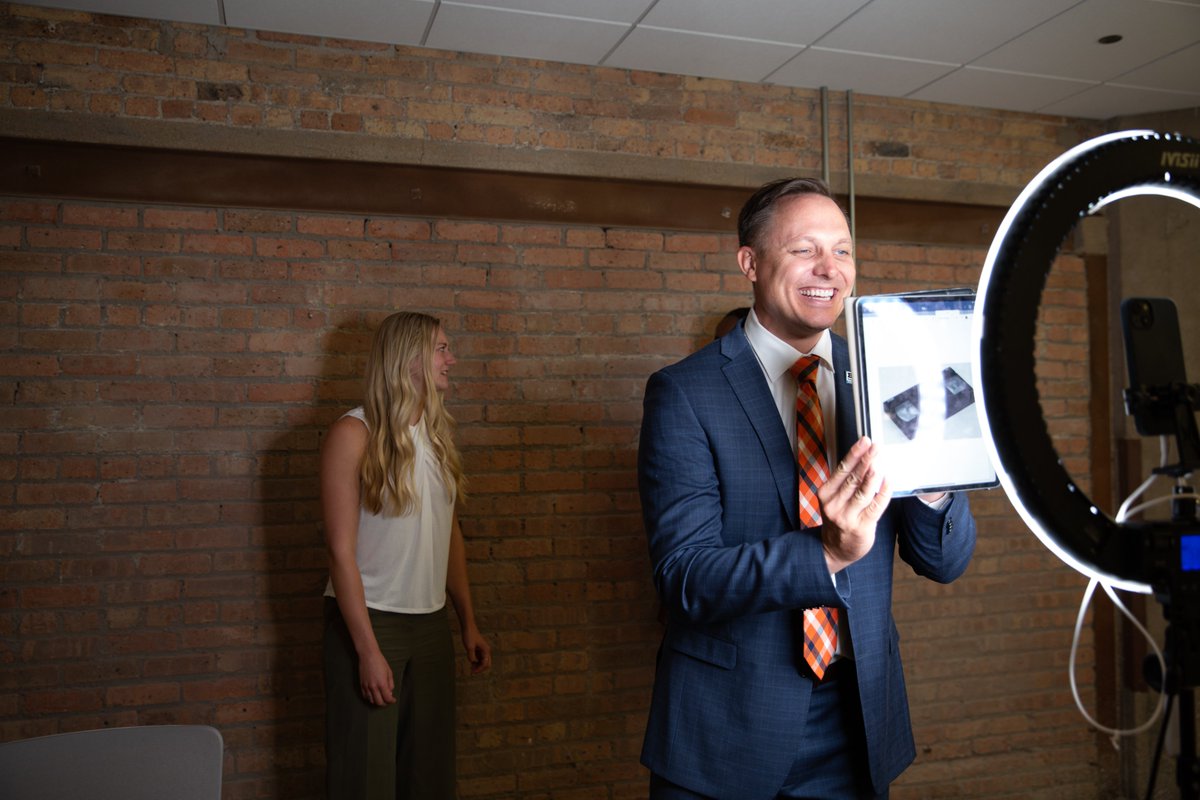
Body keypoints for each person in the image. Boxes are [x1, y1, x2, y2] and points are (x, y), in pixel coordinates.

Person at [637, 178, 976, 799]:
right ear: (750, 262)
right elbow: (684, 579)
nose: (829, 268)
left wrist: (934, 474)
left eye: (842, 251)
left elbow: (943, 561)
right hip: (725, 728)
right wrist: (826, 553)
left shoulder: (883, 378)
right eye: (804, 249)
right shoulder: (685, 393)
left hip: (857, 719)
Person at [321, 311, 492, 800]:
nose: (451, 359)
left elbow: (448, 535)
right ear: (409, 358)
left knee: (428, 776)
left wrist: (467, 622)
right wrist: (367, 650)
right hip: (369, 621)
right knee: (366, 778)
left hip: (430, 625)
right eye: (441, 349)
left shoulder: (437, 437)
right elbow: (339, 552)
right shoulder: (353, 433)